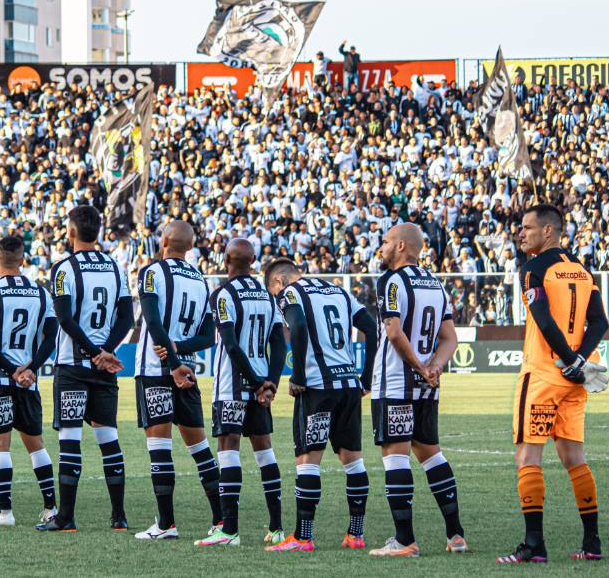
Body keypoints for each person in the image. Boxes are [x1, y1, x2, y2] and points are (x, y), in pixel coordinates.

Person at [497, 205, 609, 564]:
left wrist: (567, 357)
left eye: (527, 228)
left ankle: (533, 546)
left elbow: (543, 320)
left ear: (548, 231)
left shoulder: (532, 269)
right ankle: (592, 543)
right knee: (574, 457)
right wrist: (580, 359)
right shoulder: (582, 269)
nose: (520, 234)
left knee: (527, 456)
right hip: (576, 380)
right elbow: (600, 322)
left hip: (544, 374)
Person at [264, 258, 378, 552]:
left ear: (278, 282)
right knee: (354, 460)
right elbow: (370, 326)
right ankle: (356, 534)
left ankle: (303, 537)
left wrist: (298, 375)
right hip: (349, 386)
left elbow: (299, 325)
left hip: (317, 388)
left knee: (307, 461)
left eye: (273, 292)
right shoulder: (338, 290)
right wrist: (366, 376)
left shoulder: (290, 293)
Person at [369, 223, 467, 557]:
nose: (380, 248)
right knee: (430, 452)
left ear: (400, 246)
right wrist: (435, 367)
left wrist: (420, 367)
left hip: (396, 382)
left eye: (384, 242)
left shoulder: (390, 281)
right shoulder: (436, 284)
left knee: (395, 456)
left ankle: (404, 540)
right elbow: (450, 337)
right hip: (427, 388)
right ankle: (456, 535)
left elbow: (394, 333)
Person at [37, 205, 135, 532]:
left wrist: (93, 352)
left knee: (70, 439)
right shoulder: (115, 267)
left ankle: (65, 517)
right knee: (108, 437)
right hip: (104, 369)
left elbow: (64, 318)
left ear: (71, 232)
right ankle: (119, 516)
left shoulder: (63, 268)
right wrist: (106, 352)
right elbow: (127, 318)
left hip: (74, 368)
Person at [132, 221, 221, 540]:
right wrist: (180, 352)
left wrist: (170, 360)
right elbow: (208, 337)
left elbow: (153, 321)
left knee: (159, 448)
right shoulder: (201, 280)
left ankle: (166, 524)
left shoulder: (152, 272)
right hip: (187, 373)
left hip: (159, 371)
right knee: (200, 449)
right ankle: (221, 520)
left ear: (166, 240)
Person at [194, 238, 286, 547]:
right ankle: (276, 528)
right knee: (265, 452)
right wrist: (269, 382)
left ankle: (229, 530)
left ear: (226, 260)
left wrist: (255, 382)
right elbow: (279, 343)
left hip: (232, 385)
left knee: (228, 449)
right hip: (261, 387)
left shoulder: (223, 295)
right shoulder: (267, 295)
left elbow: (231, 345)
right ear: (253, 261)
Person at [0, 236, 59, 527]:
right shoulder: (41, 293)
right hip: (28, 381)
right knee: (36, 444)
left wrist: (11, 370)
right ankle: (51, 508)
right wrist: (30, 368)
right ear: (23, 260)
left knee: (0, 444)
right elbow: (51, 336)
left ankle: (5, 512)